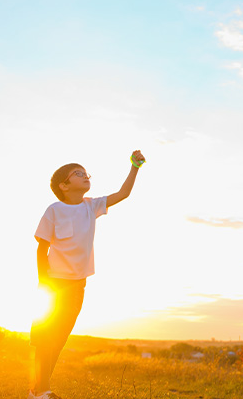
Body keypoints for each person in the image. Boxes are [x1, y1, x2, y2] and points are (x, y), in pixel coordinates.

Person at [29, 150, 145, 399]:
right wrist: (43, 283)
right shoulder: (53, 210)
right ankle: (42, 391)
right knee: (45, 336)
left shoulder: (90, 205)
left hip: (77, 285)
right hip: (53, 283)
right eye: (77, 173)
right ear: (63, 185)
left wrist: (134, 167)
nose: (85, 176)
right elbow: (42, 247)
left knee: (58, 338)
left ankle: (37, 390)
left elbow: (123, 194)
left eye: (86, 173)